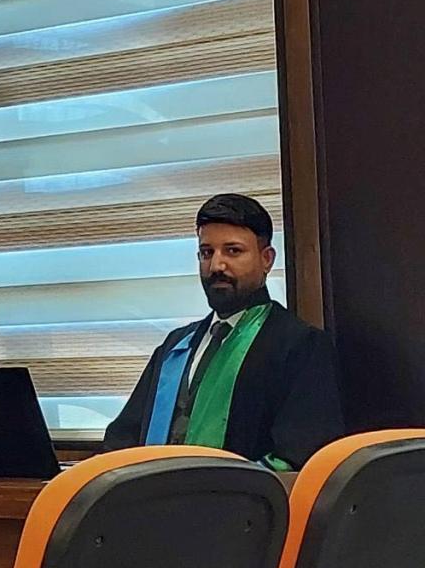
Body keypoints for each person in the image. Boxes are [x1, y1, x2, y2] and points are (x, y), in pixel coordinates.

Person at [102, 193, 344, 469]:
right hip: (151, 494)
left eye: (233, 251)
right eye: (207, 253)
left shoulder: (300, 345)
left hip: (239, 496)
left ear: (266, 259)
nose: (217, 266)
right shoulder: (176, 346)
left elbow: (300, 455)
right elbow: (122, 439)